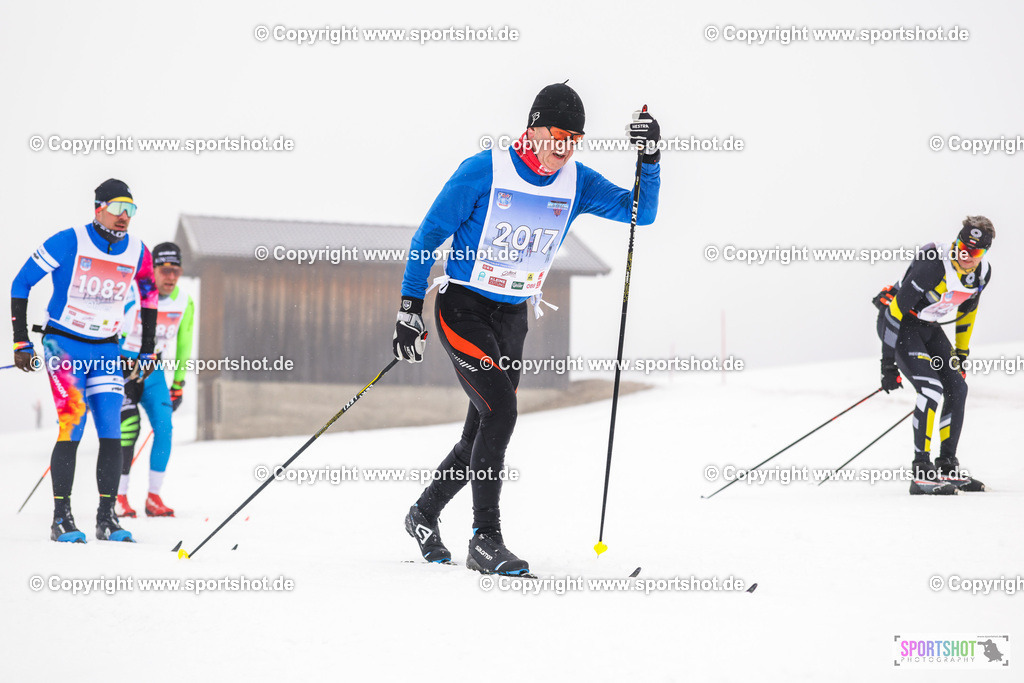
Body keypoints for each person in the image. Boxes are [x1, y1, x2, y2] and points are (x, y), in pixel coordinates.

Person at [393, 82, 661, 574]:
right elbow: (429, 235)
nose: (564, 147)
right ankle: (485, 537)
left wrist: (650, 158)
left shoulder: (576, 182)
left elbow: (639, 213)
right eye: (558, 134)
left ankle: (424, 513)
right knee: (501, 411)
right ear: (534, 127)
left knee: (480, 430)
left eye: (574, 139)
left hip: (513, 317)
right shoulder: (483, 171)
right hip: (463, 309)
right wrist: (409, 309)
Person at [11, 178, 157, 542]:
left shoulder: (138, 250)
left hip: (106, 349)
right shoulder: (68, 240)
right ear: (99, 208)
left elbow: (149, 296)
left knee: (111, 432)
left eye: (131, 209)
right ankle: (62, 518)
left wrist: (147, 349)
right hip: (64, 346)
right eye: (118, 208)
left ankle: (107, 519)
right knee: (72, 427)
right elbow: (20, 283)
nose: (125, 216)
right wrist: (20, 343)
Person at [874, 217, 994, 495]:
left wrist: (962, 353)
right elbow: (894, 311)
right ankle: (921, 471)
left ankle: (946, 466)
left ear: (984, 253)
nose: (965, 256)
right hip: (900, 324)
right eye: (962, 248)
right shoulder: (933, 264)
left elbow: (967, 312)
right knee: (930, 388)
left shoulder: (982, 273)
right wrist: (888, 364)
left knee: (957, 387)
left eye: (973, 253)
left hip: (928, 326)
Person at [116, 242, 194, 518]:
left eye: (176, 270)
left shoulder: (184, 302)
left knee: (164, 428)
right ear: (153, 271)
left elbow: (184, 344)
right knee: (129, 428)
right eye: (164, 270)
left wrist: (179, 383)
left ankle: (154, 497)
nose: (171, 276)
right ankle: (120, 497)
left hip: (153, 371)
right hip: (122, 367)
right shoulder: (133, 293)